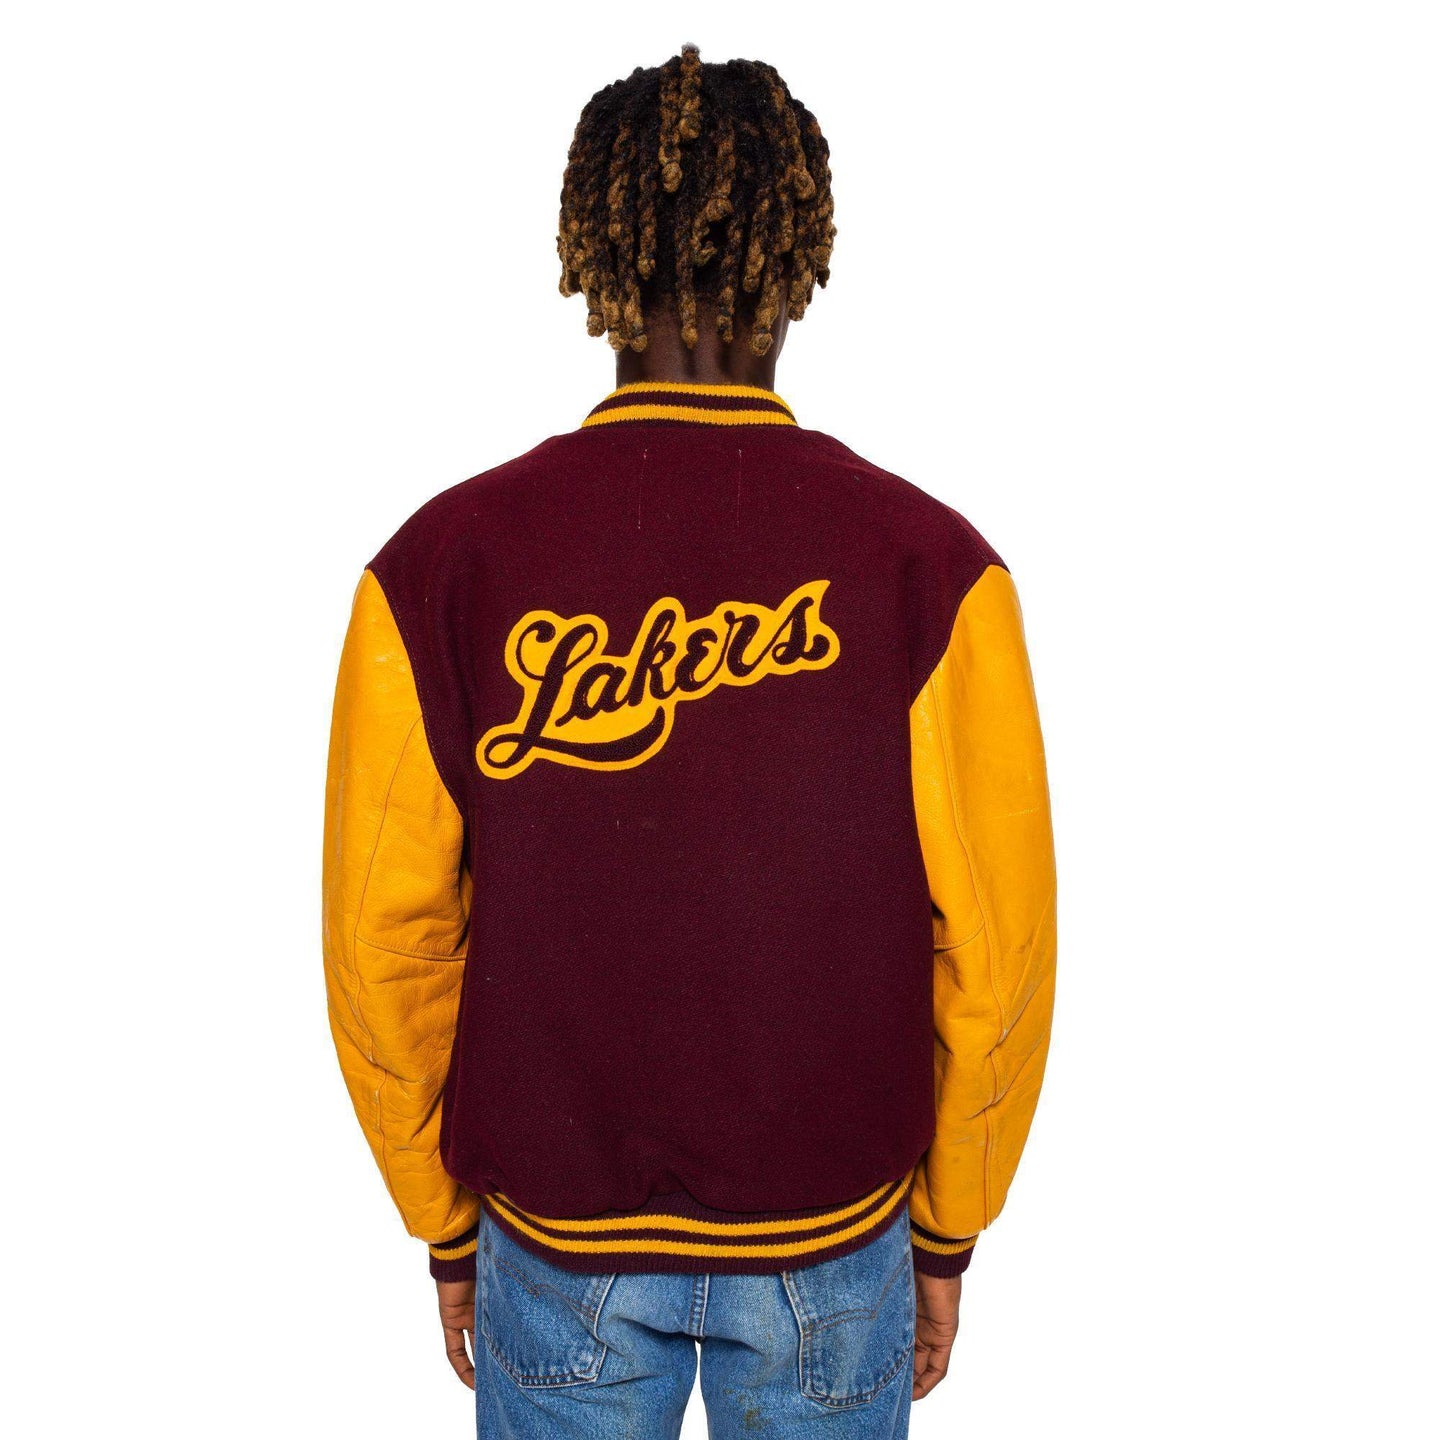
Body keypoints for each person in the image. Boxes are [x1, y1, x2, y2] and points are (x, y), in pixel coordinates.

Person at [322, 45, 1056, 1440]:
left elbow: (383, 939)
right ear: (799, 264)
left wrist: (442, 1218)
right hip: (836, 1240)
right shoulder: (932, 567)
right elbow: (999, 943)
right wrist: (951, 1224)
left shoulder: (440, 567)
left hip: (558, 1241)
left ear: (593, 256)